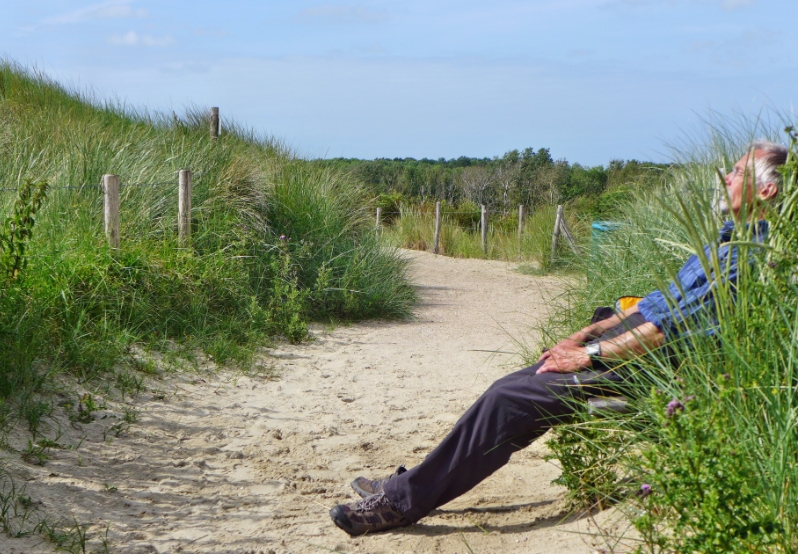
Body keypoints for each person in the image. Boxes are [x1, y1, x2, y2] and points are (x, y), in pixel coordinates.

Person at [328, 141, 788, 536]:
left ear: (766, 190)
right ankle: (410, 488)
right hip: (624, 346)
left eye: (737, 171)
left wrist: (584, 355)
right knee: (515, 390)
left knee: (508, 399)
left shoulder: (745, 258)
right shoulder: (722, 243)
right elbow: (650, 306)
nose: (725, 176)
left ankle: (400, 503)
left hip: (647, 371)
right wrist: (583, 333)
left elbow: (660, 333)